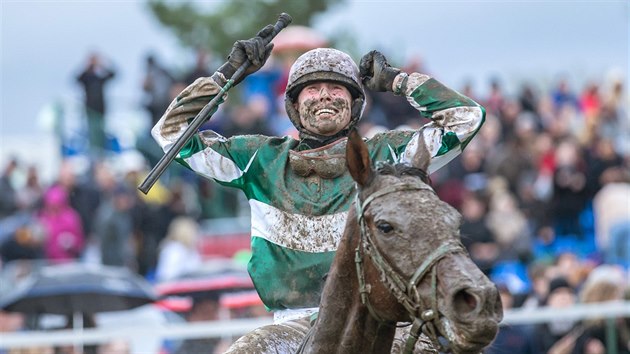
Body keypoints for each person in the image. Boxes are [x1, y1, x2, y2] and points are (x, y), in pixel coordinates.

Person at [151, 26, 486, 351]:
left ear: (355, 105)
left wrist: (398, 81)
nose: (325, 94)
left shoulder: (386, 153)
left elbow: (467, 118)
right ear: (294, 105)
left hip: (381, 322)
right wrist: (225, 76)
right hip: (289, 327)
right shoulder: (260, 158)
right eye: (312, 88)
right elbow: (170, 135)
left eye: (336, 88)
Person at [76, 52, 116, 156]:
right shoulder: (87, 78)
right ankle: (94, 154)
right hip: (90, 110)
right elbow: (77, 78)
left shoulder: (100, 79)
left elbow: (114, 74)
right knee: (92, 134)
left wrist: (103, 64)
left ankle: (101, 153)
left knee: (101, 134)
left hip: (101, 110)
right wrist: (88, 66)